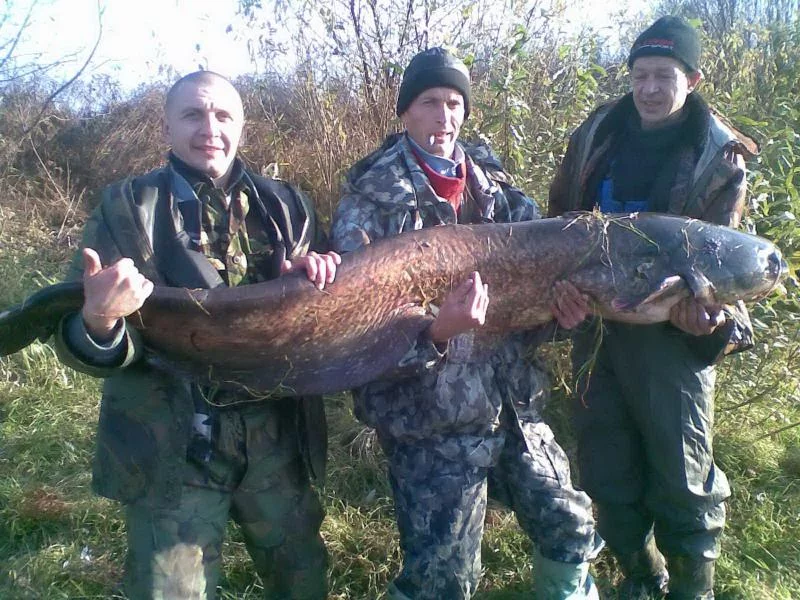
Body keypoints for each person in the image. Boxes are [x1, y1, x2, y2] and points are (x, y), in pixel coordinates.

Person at [53, 70, 339, 599]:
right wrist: (99, 319)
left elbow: (324, 323)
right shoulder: (124, 208)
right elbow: (75, 338)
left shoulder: (288, 206)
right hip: (173, 441)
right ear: (167, 126)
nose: (210, 128)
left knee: (302, 578)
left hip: (277, 436)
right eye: (193, 114)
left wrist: (312, 282)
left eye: (223, 115)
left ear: (241, 126)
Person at [331, 47, 603, 600]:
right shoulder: (370, 201)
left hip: (512, 402)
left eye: (454, 103)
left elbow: (538, 300)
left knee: (571, 526)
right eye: (429, 102)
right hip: (427, 417)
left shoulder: (499, 190)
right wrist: (436, 334)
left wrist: (563, 316)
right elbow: (358, 330)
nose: (444, 116)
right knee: (443, 580)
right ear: (405, 112)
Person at [548, 16, 758, 600]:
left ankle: (694, 588)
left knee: (683, 477)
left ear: (692, 79)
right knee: (606, 467)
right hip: (596, 330)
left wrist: (708, 319)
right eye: (640, 74)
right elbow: (559, 222)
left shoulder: (719, 156)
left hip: (671, 337)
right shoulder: (596, 134)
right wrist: (559, 292)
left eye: (664, 75)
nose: (649, 88)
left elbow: (726, 260)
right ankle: (642, 575)